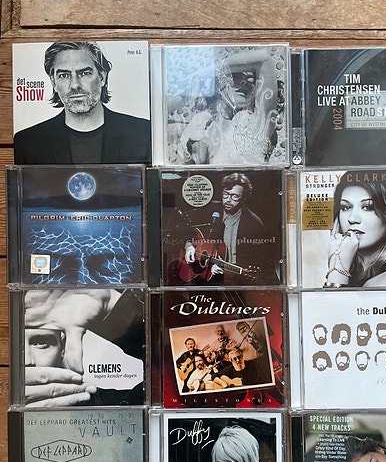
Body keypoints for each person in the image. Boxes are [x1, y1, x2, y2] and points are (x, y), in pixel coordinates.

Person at [14, 41, 151, 164]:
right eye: (64, 75)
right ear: (53, 82)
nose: (74, 85)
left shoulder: (142, 132)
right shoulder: (28, 142)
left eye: (85, 73)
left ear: (102, 77)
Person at [23, 288, 144, 406]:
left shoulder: (98, 403)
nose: (27, 362)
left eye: (41, 342)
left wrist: (113, 305)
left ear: (63, 348)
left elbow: (152, 396)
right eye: (17, 347)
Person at [174, 48, 282, 165]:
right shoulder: (202, 122)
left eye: (251, 80)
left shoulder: (255, 125)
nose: (244, 82)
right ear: (218, 85)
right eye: (236, 76)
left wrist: (208, 71)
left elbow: (264, 59)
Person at [324, 170, 386, 288]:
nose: (352, 219)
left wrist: (338, 269)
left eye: (368, 207)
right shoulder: (359, 272)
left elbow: (331, 301)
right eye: (346, 207)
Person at [183, 172, 272, 283]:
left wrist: (227, 271)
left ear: (244, 198)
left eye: (235, 196)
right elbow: (183, 228)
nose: (228, 200)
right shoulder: (209, 210)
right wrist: (189, 246)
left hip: (235, 280)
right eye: (226, 194)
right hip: (202, 276)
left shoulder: (255, 224)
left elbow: (260, 259)